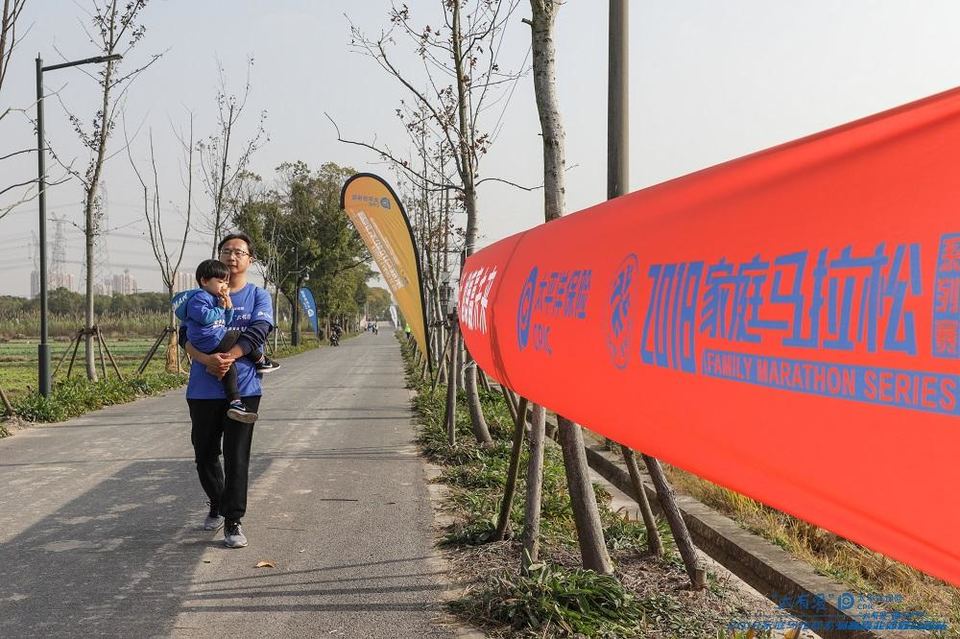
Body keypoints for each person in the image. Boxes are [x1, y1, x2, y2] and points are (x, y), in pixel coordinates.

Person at [180, 233, 274, 549]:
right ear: (218, 256)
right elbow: (183, 335)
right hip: (203, 387)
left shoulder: (258, 296)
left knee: (236, 456)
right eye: (226, 251)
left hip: (244, 387)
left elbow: (258, 331)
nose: (232, 256)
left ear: (250, 260)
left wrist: (227, 359)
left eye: (239, 252)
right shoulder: (198, 296)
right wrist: (207, 360)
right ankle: (217, 501)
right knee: (204, 454)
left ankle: (233, 520)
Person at [175, 259, 279, 424]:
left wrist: (228, 306)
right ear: (204, 281)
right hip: (209, 344)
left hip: (226, 358)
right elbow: (202, 320)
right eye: (220, 281)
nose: (224, 285)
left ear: (250, 259)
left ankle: (235, 402)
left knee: (229, 370)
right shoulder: (198, 298)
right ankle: (260, 360)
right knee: (237, 334)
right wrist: (221, 307)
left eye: (225, 282)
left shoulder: (255, 294)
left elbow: (229, 322)